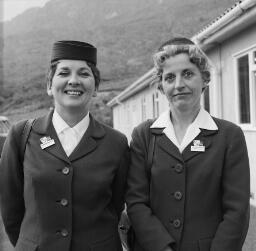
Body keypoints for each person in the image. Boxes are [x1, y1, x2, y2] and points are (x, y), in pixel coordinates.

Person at [0, 40, 130, 251]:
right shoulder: (21, 135)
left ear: (95, 87)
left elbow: (115, 206)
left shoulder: (116, 143)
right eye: (64, 73)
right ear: (49, 86)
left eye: (84, 74)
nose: (74, 80)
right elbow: (11, 210)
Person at [126, 37, 250, 251]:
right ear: (161, 85)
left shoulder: (230, 136)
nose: (178, 85)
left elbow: (236, 211)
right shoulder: (143, 136)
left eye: (188, 74)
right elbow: (136, 203)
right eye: (169, 77)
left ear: (204, 78)